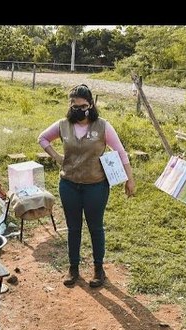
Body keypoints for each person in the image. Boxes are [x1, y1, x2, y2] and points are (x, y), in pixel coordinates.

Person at [38, 84, 136, 287]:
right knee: (73, 228)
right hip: (69, 184)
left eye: (82, 105)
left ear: (90, 105)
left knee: (95, 227)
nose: (77, 109)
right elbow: (43, 138)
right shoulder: (63, 125)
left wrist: (130, 178)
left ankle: (98, 270)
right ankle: (73, 269)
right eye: (73, 105)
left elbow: (120, 152)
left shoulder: (102, 126)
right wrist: (57, 156)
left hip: (96, 186)